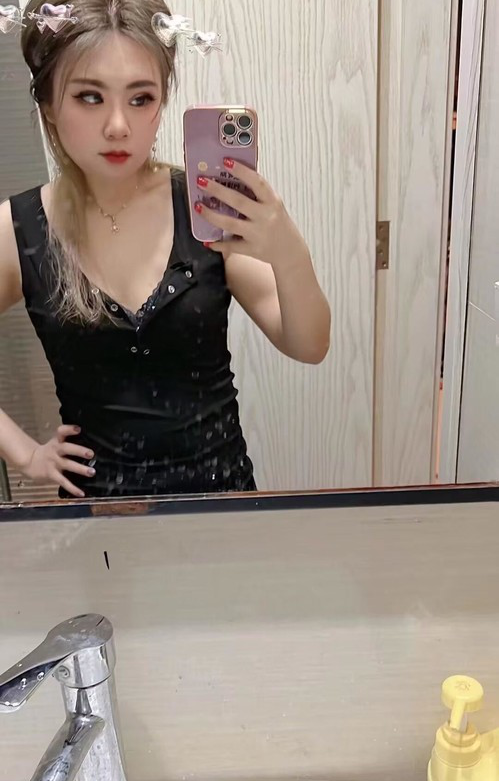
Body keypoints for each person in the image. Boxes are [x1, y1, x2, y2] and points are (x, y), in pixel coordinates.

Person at [0, 0, 331, 500]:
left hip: (223, 505)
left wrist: (288, 250)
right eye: (90, 97)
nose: (118, 125)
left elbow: (309, 345)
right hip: (98, 516)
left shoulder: (205, 208)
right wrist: (25, 454)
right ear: (48, 103)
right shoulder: (18, 229)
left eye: (141, 98)